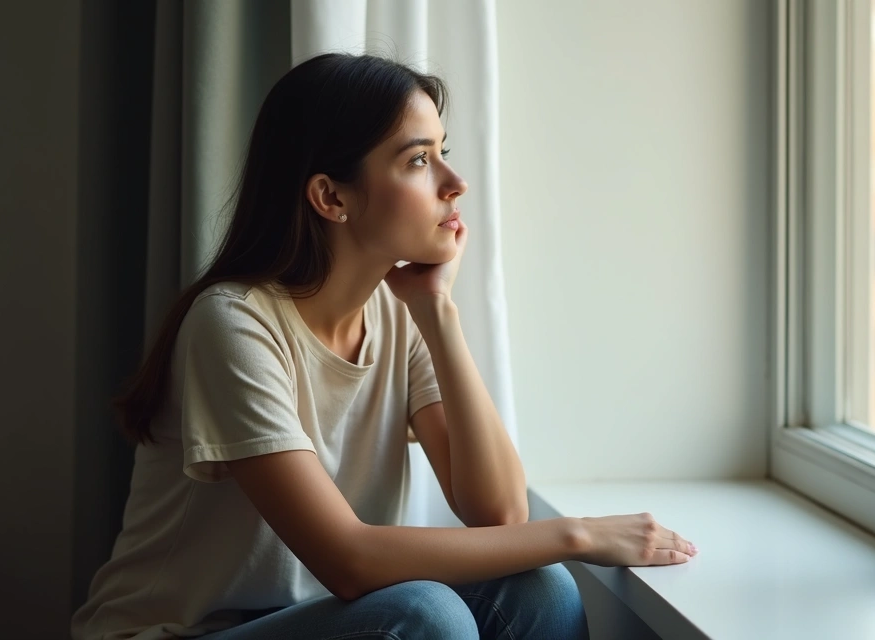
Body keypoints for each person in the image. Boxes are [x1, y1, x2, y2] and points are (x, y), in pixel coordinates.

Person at [71, 52, 696, 640]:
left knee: (540, 592)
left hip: (324, 622)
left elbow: (498, 511)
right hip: (179, 633)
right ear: (332, 197)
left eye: (442, 153)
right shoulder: (234, 325)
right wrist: (579, 535)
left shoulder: (396, 317)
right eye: (419, 160)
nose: (455, 183)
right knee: (425, 616)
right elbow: (347, 559)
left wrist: (438, 311)